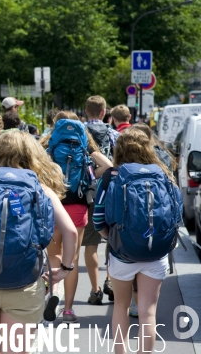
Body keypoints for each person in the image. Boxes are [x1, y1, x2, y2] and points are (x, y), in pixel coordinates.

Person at [0, 130, 78, 353]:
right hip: (25, 283)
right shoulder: (41, 190)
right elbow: (71, 232)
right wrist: (65, 269)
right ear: (33, 156)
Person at [94, 128, 178, 354]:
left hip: (121, 253)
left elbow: (98, 220)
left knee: (120, 306)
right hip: (155, 252)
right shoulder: (163, 174)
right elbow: (176, 216)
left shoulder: (111, 176)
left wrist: (113, 240)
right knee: (147, 313)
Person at [41, 111, 112, 323]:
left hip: (52, 205)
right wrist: (90, 176)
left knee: (53, 255)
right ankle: (69, 309)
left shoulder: (48, 145)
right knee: (71, 259)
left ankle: (52, 295)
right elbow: (108, 166)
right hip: (78, 206)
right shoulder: (84, 146)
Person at [83, 96, 119, 306]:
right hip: (108, 192)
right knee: (112, 237)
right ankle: (110, 281)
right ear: (104, 112)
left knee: (90, 244)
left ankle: (95, 290)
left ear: (86, 112)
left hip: (86, 193)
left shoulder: (81, 134)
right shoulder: (113, 133)